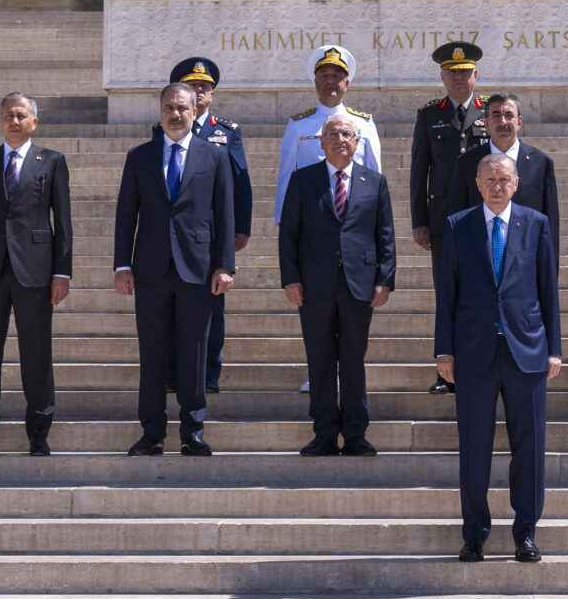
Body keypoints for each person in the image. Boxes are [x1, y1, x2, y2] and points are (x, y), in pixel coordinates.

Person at [435, 153, 561, 563]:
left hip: (526, 352)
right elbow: (447, 295)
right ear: (477, 182)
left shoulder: (536, 224)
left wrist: (554, 348)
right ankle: (474, 533)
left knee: (531, 447)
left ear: (516, 182)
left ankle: (525, 532)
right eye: (489, 178)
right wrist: (444, 349)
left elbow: (548, 290)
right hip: (474, 354)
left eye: (503, 179)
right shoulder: (457, 226)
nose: (496, 185)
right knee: (474, 447)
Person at [115, 83, 235, 456]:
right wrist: (122, 264)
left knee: (194, 352)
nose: (175, 114)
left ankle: (192, 430)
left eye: (182, 107)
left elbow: (226, 214)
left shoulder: (213, 156)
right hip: (150, 270)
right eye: (169, 107)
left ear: (194, 111)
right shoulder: (140, 157)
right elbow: (125, 216)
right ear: (160, 111)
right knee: (152, 354)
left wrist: (225, 265)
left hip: (197, 271)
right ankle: (152, 432)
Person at [0, 93, 72, 457]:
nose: (14, 121)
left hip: (35, 274)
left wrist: (62, 273)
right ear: (0, 120)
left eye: (22, 115)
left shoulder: (51, 161)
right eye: (8, 115)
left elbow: (63, 223)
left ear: (34, 122)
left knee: (36, 355)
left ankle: (38, 433)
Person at [280, 114, 396, 457]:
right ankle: (325, 433)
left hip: (359, 284)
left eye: (346, 134)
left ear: (357, 142)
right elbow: (289, 235)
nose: (339, 139)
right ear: (321, 141)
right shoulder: (303, 180)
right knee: (320, 360)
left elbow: (385, 235)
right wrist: (291, 278)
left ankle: (357, 433)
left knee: (353, 359)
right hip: (314, 285)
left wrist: (384, 280)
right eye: (332, 134)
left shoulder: (374, 181)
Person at [274, 44, 381, 393]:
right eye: (324, 77)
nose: (330, 83)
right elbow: (287, 175)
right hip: (313, 233)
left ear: (347, 83)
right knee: (317, 322)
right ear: (315, 81)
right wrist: (284, 225)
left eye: (337, 77)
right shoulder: (299, 124)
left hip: (353, 233)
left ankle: (346, 379)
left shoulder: (364, 124)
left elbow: (375, 177)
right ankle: (317, 373)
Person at [159, 57, 252, 394]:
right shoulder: (163, 131)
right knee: (170, 309)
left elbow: (240, 184)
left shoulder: (225, 132)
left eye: (205, 87)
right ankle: (172, 372)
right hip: (175, 236)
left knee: (212, 309)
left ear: (212, 95)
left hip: (211, 236)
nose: (199, 91)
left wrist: (240, 228)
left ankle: (209, 372)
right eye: (193, 85)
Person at [411, 41, 490, 394]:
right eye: (452, 72)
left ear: (476, 75)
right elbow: (419, 171)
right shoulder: (430, 115)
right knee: (448, 295)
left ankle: (484, 365)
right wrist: (419, 219)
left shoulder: (492, 112)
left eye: (465, 72)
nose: (459, 78)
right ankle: (447, 373)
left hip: (484, 218)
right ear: (442, 77)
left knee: (486, 292)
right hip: (443, 221)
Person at [446, 93, 559, 252]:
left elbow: (551, 225)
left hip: (526, 260)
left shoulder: (541, 163)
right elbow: (457, 218)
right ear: (486, 123)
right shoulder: (467, 163)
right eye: (496, 115)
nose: (503, 122)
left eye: (509, 115)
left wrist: (550, 271)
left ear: (519, 121)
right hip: (479, 257)